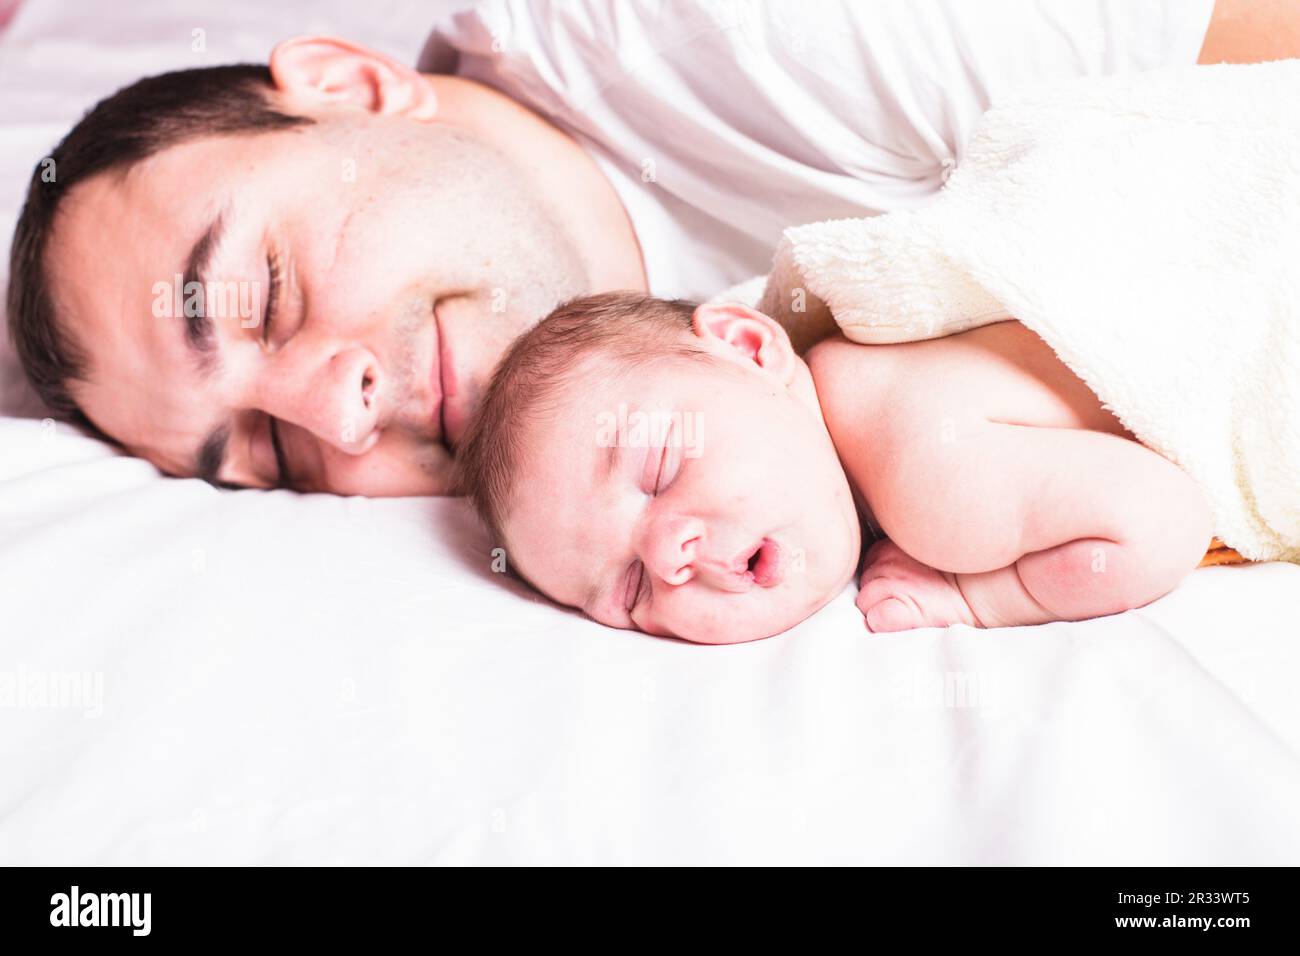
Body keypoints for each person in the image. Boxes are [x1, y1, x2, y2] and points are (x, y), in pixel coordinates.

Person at [6, 0, 1292, 497]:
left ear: (350, 85)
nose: (338, 420)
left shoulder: (750, 39)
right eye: (271, 455)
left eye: (264, 294)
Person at [455, 292, 1213, 643]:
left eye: (657, 468)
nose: (667, 555)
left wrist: (976, 597)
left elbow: (1161, 525)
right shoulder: (839, 421)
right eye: (627, 589)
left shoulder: (927, 478)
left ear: (750, 349)